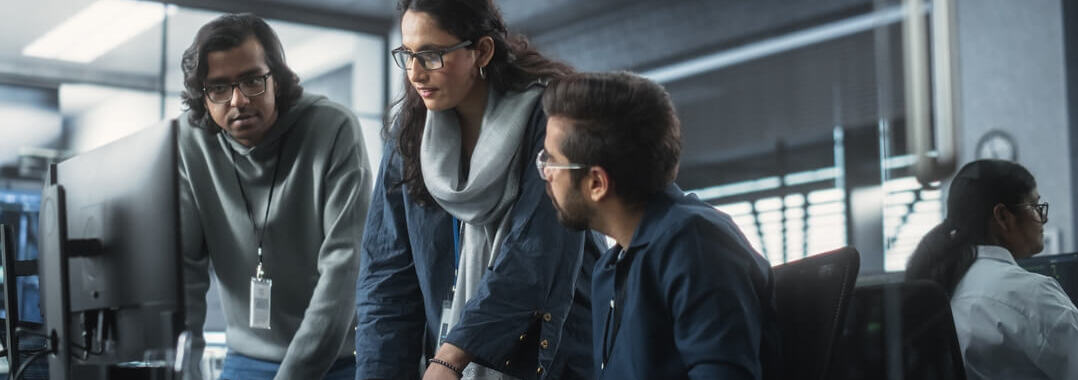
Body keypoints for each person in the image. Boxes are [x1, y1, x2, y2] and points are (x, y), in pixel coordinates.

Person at [355, 1, 599, 379]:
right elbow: (386, 277)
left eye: (432, 55)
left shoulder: (551, 118)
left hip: (549, 360)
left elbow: (534, 256)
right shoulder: (410, 131)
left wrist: (451, 356)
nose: (416, 73)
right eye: (408, 55)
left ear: (482, 51)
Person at [538, 71, 781, 380]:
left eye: (552, 162)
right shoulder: (610, 269)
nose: (545, 174)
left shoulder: (694, 242)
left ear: (597, 182)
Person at [175, 13, 372, 380]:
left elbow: (344, 268)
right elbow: (186, 275)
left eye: (252, 80)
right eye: (218, 87)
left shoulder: (333, 128)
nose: (238, 100)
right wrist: (183, 371)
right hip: (245, 358)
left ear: (276, 79)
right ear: (203, 94)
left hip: (334, 361)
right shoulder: (191, 143)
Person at [906, 159, 1078, 379]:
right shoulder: (1026, 293)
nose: (1042, 219)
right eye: (1035, 206)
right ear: (1004, 217)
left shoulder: (947, 283)